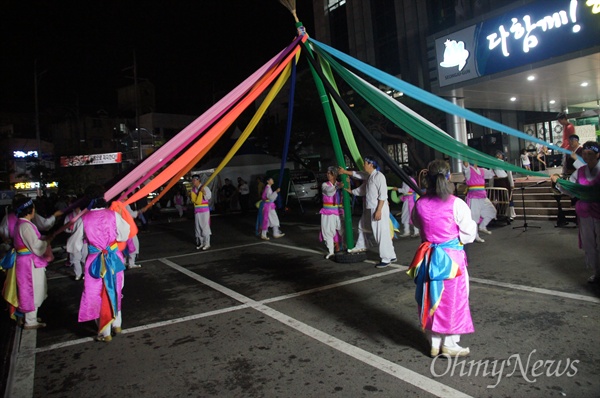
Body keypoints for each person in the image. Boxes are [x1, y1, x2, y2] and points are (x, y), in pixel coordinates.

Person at [408, 159, 477, 358]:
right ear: (448, 177)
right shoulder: (457, 204)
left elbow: (417, 223)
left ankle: (434, 342)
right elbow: (468, 234)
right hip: (451, 260)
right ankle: (450, 343)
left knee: (430, 297)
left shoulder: (419, 203)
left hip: (428, 257)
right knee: (453, 299)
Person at [70, 184, 131, 342]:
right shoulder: (113, 215)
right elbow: (124, 234)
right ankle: (117, 324)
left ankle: (105, 331)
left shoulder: (84, 219)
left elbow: (73, 245)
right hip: (113, 257)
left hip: (94, 261)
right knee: (116, 290)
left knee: (97, 294)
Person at [552, 141, 600, 284]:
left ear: (598, 155)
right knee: (589, 243)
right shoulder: (579, 171)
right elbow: (571, 189)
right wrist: (558, 182)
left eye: (590, 154)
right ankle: (597, 272)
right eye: (584, 154)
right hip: (584, 212)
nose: (587, 156)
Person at [338, 156, 396, 268]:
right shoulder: (369, 176)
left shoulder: (379, 177)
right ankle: (366, 247)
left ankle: (386, 258)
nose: (363, 165)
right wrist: (352, 190)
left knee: (381, 234)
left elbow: (383, 195)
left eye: (365, 163)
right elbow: (360, 180)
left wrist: (379, 210)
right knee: (362, 226)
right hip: (371, 208)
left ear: (370, 164)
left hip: (378, 208)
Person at [12, 196, 54, 330]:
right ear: (30, 210)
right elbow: (36, 246)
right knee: (32, 289)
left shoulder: (23, 224)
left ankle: (31, 317)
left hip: (27, 262)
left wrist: (44, 239)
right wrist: (46, 242)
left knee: (32, 289)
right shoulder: (25, 226)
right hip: (28, 264)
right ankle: (30, 320)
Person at [463, 161, 497, 243]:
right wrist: (466, 163)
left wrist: (495, 165)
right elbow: (466, 169)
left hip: (482, 196)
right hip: (474, 197)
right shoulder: (469, 170)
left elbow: (491, 173)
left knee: (492, 211)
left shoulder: (482, 170)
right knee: (474, 217)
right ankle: (475, 236)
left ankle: (482, 226)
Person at [320, 166, 344, 259]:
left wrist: (347, 183)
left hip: (339, 211)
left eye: (329, 173)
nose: (327, 175)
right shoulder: (325, 185)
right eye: (327, 173)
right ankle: (331, 251)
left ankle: (344, 247)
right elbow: (329, 192)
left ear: (334, 175)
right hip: (328, 212)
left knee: (342, 230)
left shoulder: (340, 184)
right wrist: (337, 186)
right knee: (328, 231)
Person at [393, 166, 420, 238]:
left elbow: (405, 191)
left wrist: (397, 189)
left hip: (408, 200)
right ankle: (415, 231)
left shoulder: (406, 180)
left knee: (405, 215)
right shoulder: (412, 179)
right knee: (413, 215)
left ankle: (407, 231)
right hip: (413, 199)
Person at [490, 151, 516, 220]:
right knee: (507, 198)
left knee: (500, 198)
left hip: (498, 182)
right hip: (504, 182)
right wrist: (512, 184)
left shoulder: (493, 164)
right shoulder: (504, 164)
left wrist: (491, 186)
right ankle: (509, 214)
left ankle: (502, 213)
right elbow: (509, 174)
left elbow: (491, 176)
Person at [191, 175, 212, 250]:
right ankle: (201, 243)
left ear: (198, 180)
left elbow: (209, 197)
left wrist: (204, 192)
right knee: (198, 227)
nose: (193, 181)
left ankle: (207, 243)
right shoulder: (193, 189)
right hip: (197, 211)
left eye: (194, 180)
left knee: (205, 226)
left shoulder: (204, 187)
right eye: (192, 180)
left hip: (204, 210)